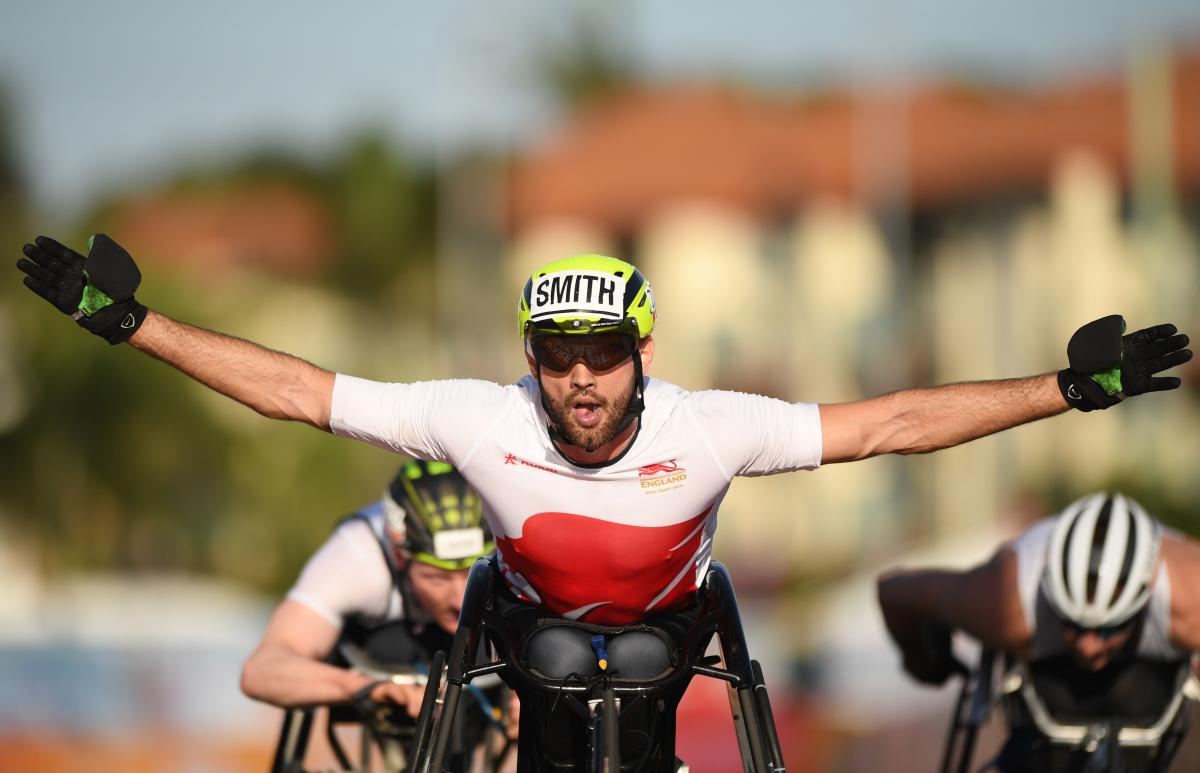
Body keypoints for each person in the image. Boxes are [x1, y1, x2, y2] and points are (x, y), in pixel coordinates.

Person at [14, 237, 1193, 764]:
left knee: (623, 655)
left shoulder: (713, 425)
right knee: (575, 654)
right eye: (556, 354)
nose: (581, 378)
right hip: (526, 636)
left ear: (642, 350)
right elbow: (296, 390)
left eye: (604, 353)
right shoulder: (477, 417)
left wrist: (1065, 388)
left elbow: (890, 423)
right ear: (529, 358)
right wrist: (134, 322)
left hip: (670, 638)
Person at [877, 492, 1200, 771]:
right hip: (1033, 648)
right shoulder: (1003, 603)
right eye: (1073, 624)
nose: (1088, 647)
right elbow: (893, 592)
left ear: (1144, 601)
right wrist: (923, 662)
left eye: (1107, 629)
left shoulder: (1189, 605)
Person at [240, 459, 495, 715]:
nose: (460, 600)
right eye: (437, 578)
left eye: (473, 572)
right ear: (399, 557)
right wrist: (369, 688)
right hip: (385, 651)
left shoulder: (512, 541)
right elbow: (260, 671)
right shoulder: (355, 555)